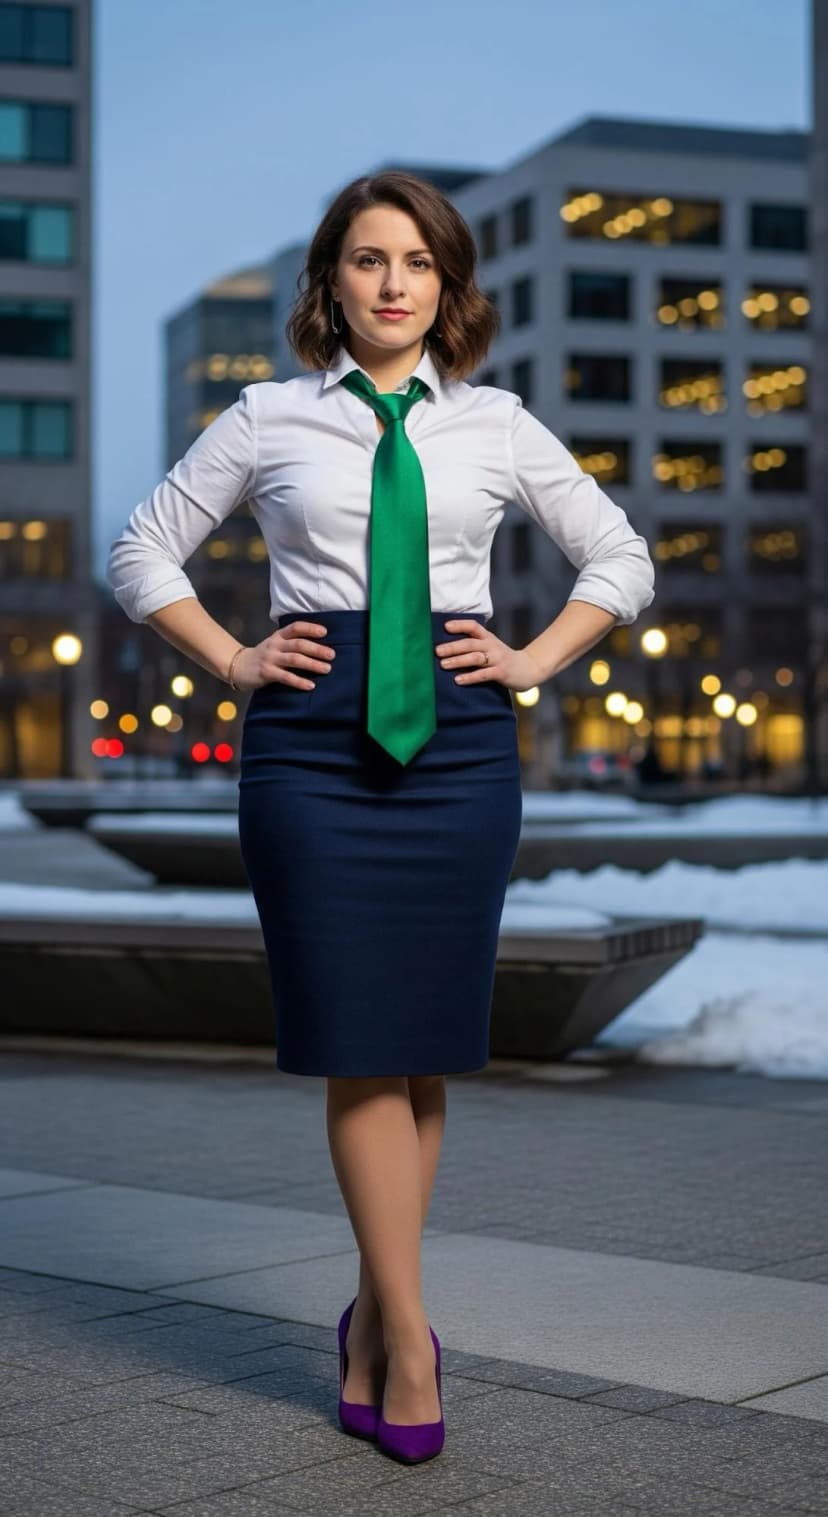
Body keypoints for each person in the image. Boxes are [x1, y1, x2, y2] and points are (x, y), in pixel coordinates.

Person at [107, 169, 656, 1464]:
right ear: (331, 281)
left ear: (449, 284)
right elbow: (141, 553)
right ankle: (407, 1335)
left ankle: (374, 1318)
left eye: (417, 259)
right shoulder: (269, 415)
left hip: (459, 740)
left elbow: (621, 556)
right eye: (368, 258)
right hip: (308, 737)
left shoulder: (499, 425)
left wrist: (531, 659)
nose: (394, 281)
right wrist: (235, 656)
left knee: (421, 1044)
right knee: (359, 1034)